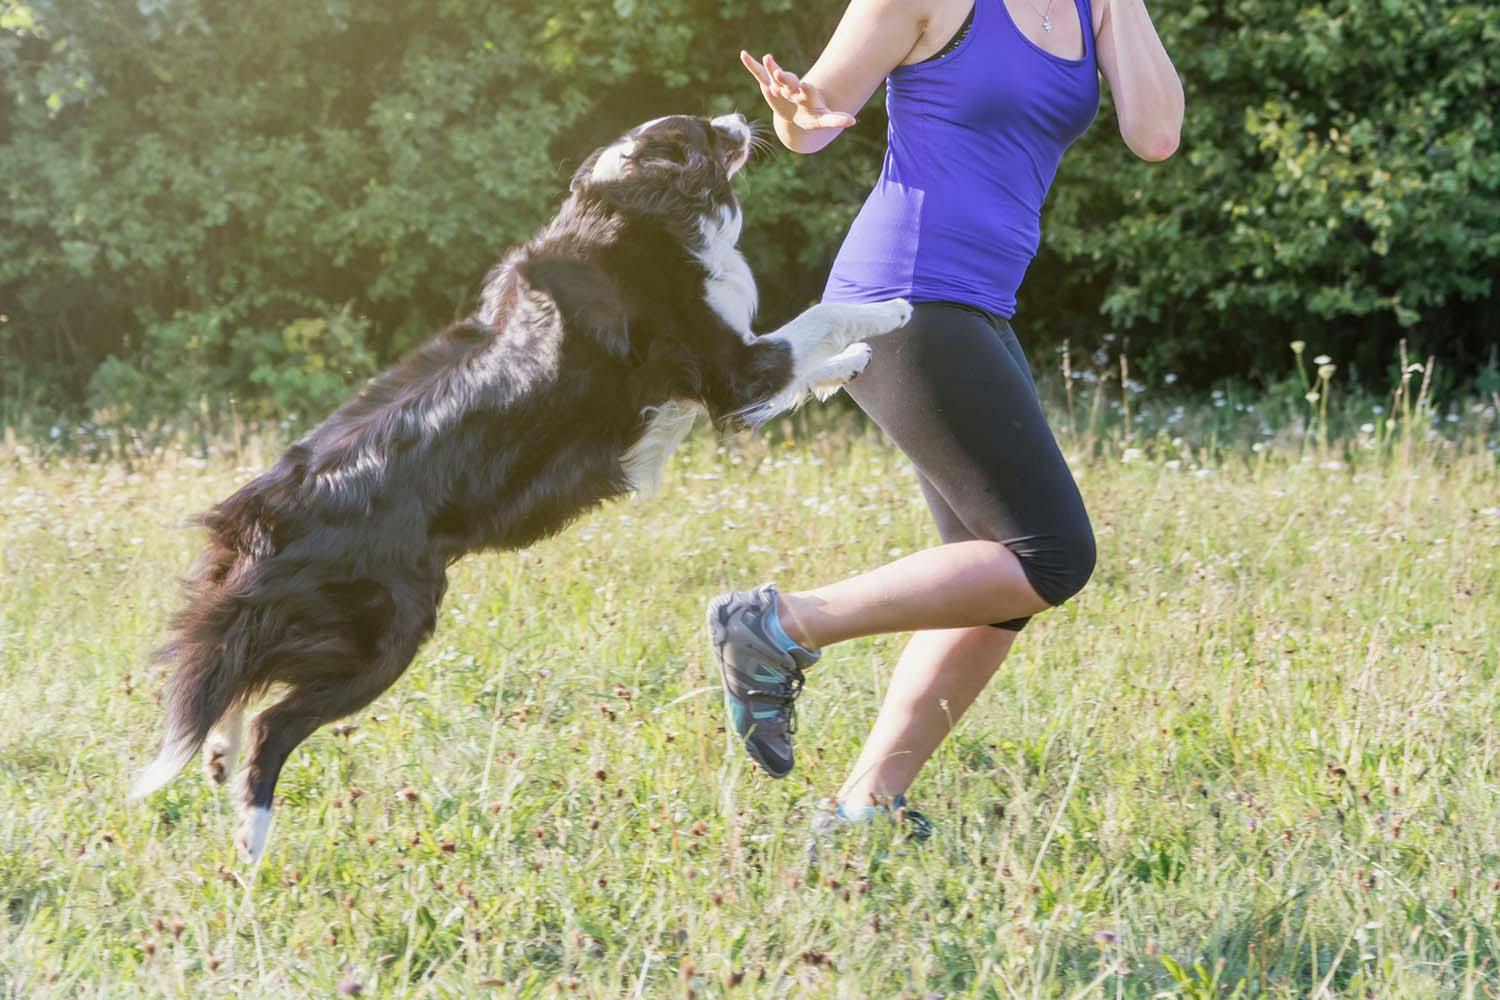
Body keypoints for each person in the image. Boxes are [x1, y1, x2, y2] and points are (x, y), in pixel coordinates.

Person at [709, 0, 1183, 836]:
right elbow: (814, 122)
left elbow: (1155, 134)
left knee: (992, 585)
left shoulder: (1093, 9)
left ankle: (865, 810)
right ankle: (777, 624)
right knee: (1052, 557)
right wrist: (795, 113)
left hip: (977, 306)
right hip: (904, 297)